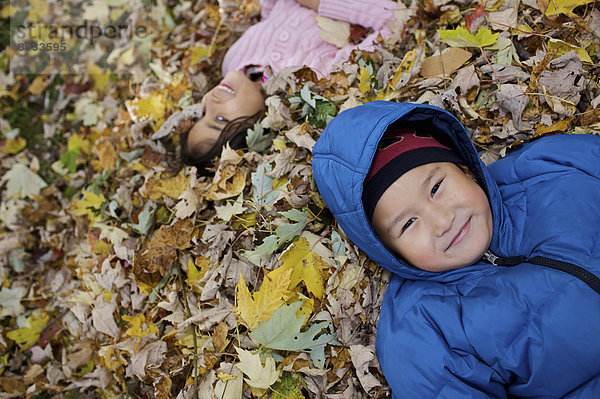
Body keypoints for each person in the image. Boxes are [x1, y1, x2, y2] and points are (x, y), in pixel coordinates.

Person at [311, 101, 600, 398]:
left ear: (466, 171)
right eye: (408, 223)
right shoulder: (423, 329)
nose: (442, 221)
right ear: (389, 251)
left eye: (436, 188)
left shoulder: (549, 166)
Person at [179, 0, 398, 172]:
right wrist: (318, 3)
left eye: (203, 113)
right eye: (219, 119)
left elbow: (271, 15)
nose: (209, 100)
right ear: (258, 128)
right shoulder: (313, 75)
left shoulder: (234, 62)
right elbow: (392, 21)